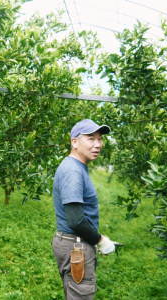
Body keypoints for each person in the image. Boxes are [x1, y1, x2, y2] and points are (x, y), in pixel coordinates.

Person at [52, 119, 117, 300]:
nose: (97, 144)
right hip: (77, 246)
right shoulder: (73, 171)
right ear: (74, 142)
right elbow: (76, 220)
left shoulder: (77, 167)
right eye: (90, 138)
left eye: (99, 139)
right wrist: (100, 240)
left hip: (73, 243)